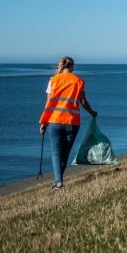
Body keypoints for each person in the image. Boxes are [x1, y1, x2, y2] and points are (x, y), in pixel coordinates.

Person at [38, 56, 97, 192]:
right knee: (64, 154)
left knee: (56, 153)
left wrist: (43, 123)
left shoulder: (53, 80)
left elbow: (49, 104)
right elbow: (83, 102)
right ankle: (58, 182)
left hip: (54, 120)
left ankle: (58, 183)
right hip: (72, 122)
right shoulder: (79, 81)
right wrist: (92, 113)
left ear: (61, 65)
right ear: (72, 66)